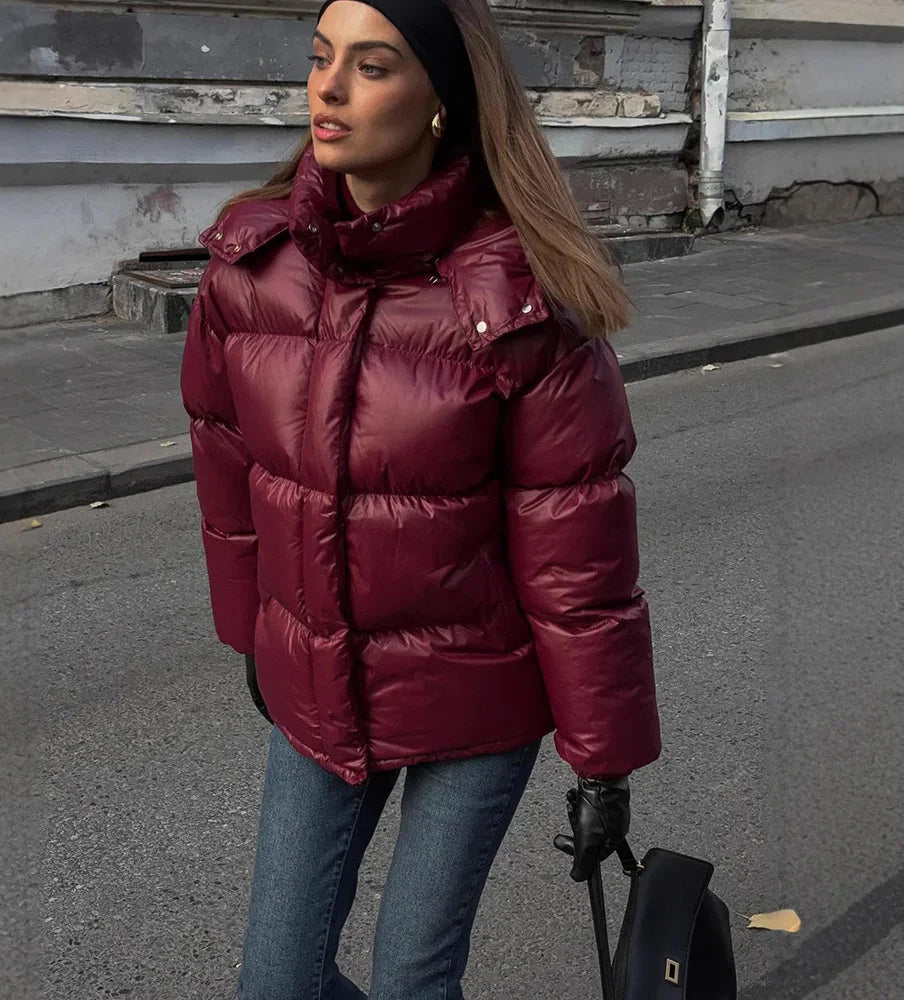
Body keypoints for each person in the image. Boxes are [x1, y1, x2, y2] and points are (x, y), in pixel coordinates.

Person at [180, 1, 661, 996]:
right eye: (320, 60)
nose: (329, 86)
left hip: (475, 701)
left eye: (371, 65)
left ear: (440, 101)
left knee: (409, 980)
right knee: (276, 980)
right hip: (316, 688)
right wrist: (252, 641)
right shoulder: (249, 269)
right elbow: (230, 477)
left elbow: (578, 554)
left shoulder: (522, 306)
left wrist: (602, 760)